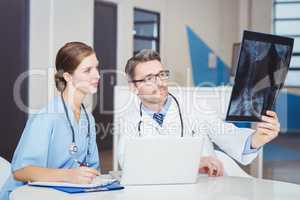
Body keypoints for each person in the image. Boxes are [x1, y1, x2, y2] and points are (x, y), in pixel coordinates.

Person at [117, 49, 280, 176]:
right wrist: (191, 163)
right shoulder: (130, 122)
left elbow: (223, 132)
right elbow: (132, 167)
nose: (159, 83)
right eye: (149, 78)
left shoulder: (192, 105)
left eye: (161, 75)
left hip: (205, 188)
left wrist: (255, 140)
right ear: (133, 87)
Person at [0, 42, 101, 200]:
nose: (97, 75)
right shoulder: (47, 116)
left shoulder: (88, 118)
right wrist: (69, 176)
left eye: (96, 68)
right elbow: (21, 171)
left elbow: (92, 167)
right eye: (88, 70)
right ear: (68, 77)